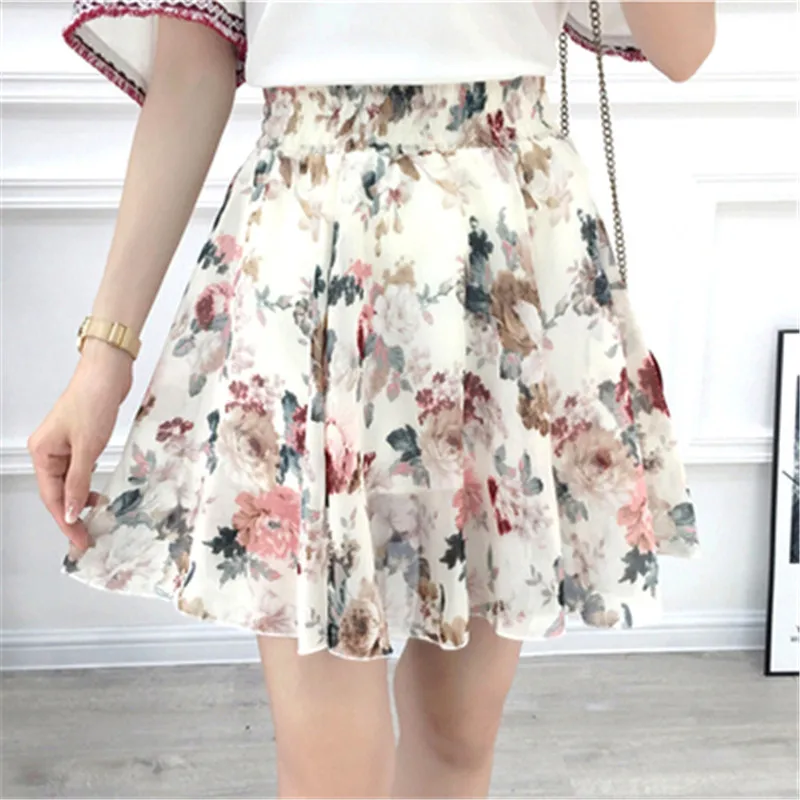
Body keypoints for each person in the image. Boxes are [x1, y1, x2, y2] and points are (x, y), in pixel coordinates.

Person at [29, 2, 715, 797]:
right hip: (312, 255)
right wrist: (103, 356)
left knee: (458, 736)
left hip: (504, 253)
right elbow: (189, 78)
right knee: (329, 766)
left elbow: (685, 48)